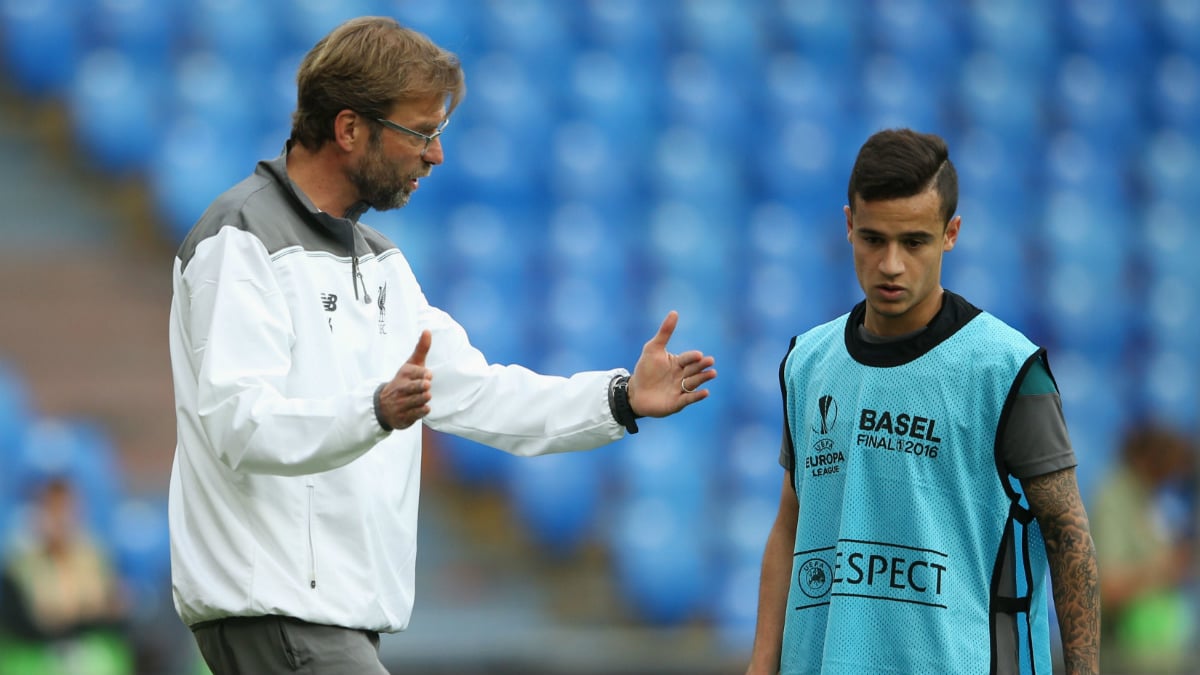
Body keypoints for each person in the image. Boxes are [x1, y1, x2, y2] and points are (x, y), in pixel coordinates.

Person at [166, 16, 717, 675]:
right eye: (421, 133)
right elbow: (239, 424)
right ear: (349, 129)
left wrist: (620, 397)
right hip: (280, 611)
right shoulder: (241, 241)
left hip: (332, 623)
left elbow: (477, 393)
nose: (436, 155)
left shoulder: (380, 263)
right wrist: (374, 410)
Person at [744, 129, 1100, 675]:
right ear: (847, 226)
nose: (890, 264)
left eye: (914, 242)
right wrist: (761, 664)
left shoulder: (1007, 370)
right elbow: (790, 524)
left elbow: (1068, 534)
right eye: (873, 239)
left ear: (950, 234)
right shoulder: (807, 361)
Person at [0, 477, 131, 675]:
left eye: (66, 509)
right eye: (52, 509)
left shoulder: (93, 555)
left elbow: (114, 611)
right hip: (38, 654)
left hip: (88, 651)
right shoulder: (20, 562)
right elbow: (32, 622)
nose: (60, 518)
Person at [1093, 424, 1195, 673]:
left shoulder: (1146, 498)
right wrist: (1167, 568)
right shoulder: (1114, 500)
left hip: (1150, 638)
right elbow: (1109, 589)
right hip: (1117, 645)